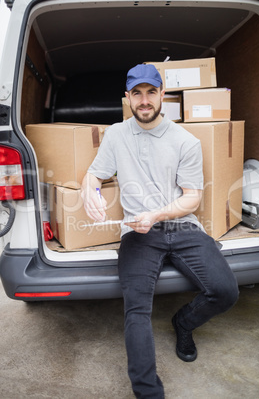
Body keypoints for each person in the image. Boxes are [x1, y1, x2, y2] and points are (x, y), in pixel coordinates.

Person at [81, 64, 239, 399]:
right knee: (136, 309)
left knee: (226, 291)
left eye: (151, 92)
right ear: (127, 98)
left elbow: (192, 197)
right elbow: (95, 174)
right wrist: (89, 191)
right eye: (136, 93)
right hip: (138, 233)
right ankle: (149, 393)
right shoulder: (115, 134)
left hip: (182, 226)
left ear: (162, 95)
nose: (144, 100)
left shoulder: (185, 141)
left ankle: (183, 323)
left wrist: (155, 214)